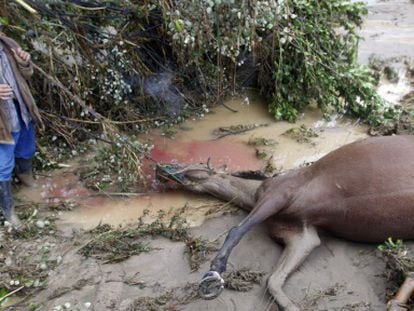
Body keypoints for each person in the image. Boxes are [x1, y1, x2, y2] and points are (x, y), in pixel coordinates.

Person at [0, 29, 42, 227]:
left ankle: (28, 183)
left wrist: (25, 61)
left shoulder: (7, 43)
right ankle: (8, 211)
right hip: (2, 121)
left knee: (26, 149)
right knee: (3, 164)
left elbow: (27, 74)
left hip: (21, 108)